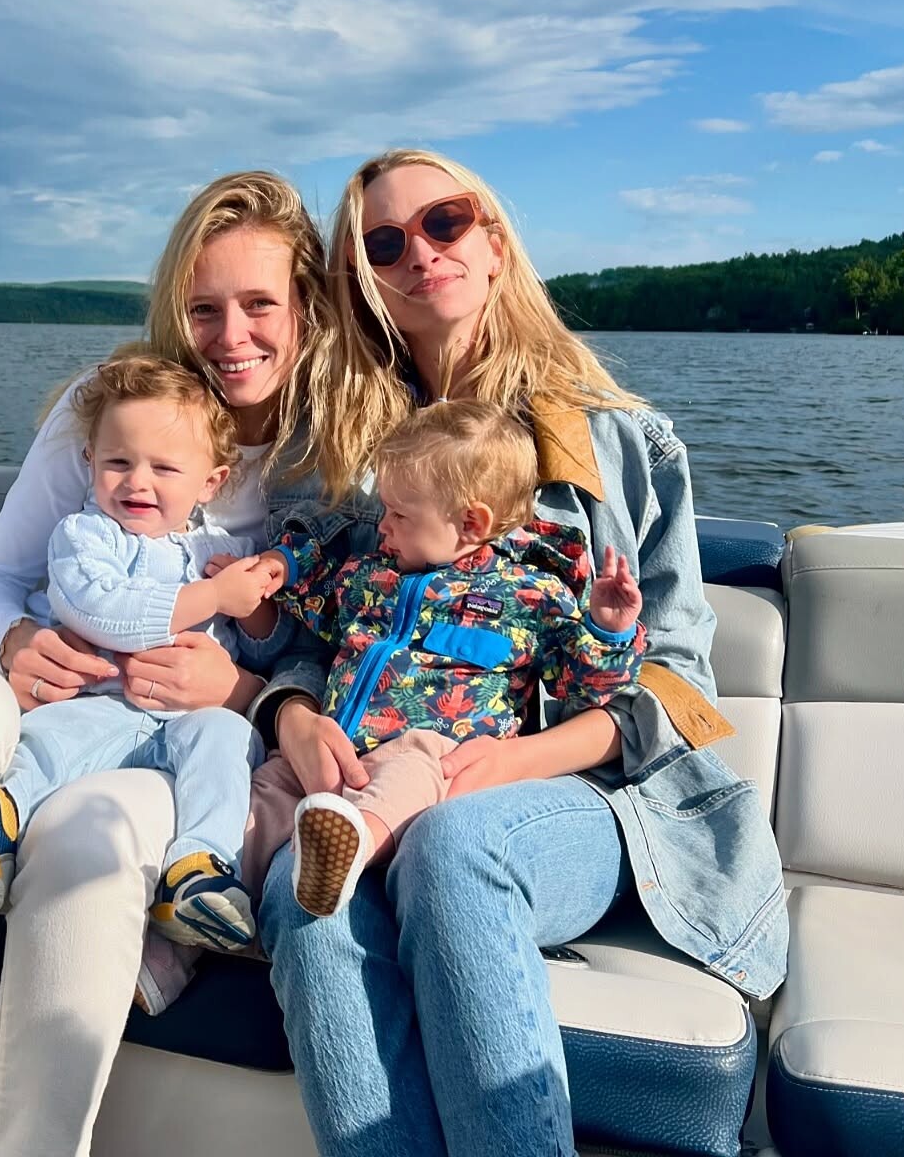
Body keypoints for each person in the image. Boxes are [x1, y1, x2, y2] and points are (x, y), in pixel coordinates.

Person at [254, 150, 789, 1157]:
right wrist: (292, 717)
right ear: (365, 285)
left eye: (445, 221)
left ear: (495, 243)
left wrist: (513, 761)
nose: (419, 251)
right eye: (384, 243)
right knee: (299, 892)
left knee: (459, 845)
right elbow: (313, 636)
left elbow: (678, 683)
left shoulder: (620, 445)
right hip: (374, 776)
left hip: (588, 795)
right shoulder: (350, 461)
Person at [0, 171, 335, 1157]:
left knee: (92, 832)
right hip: (57, 695)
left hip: (182, 738)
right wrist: (15, 643)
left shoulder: (335, 450)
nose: (231, 336)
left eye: (261, 305)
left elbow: (336, 649)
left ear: (307, 305)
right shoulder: (116, 410)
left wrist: (239, 689)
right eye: (204, 308)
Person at [0, 354, 275, 950]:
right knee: (58, 741)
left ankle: (200, 870)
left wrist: (255, 612)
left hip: (189, 716)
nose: (137, 482)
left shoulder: (221, 550)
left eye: (164, 468)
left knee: (228, 740)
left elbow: (269, 645)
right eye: (118, 463)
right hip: (102, 697)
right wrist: (212, 596)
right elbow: (96, 608)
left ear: (211, 482)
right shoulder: (84, 535)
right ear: (89, 463)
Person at [237, 399, 646, 919]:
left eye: (399, 514)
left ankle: (352, 849)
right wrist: (284, 569)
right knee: (263, 796)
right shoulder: (370, 576)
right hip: (335, 748)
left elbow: (586, 686)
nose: (382, 526)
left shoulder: (529, 596)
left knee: (414, 769)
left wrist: (608, 630)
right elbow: (321, 603)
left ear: (471, 522)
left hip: (434, 754)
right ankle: (216, 905)